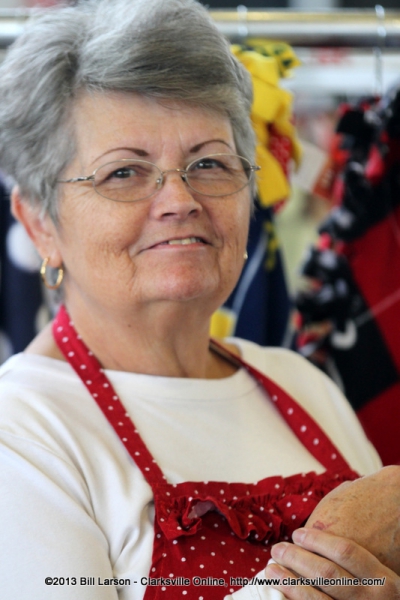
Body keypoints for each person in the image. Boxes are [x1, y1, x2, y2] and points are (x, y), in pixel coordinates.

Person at [0, 1, 398, 599]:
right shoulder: (21, 431)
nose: (180, 200)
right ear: (39, 223)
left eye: (209, 163)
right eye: (124, 173)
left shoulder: (303, 385)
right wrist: (342, 551)